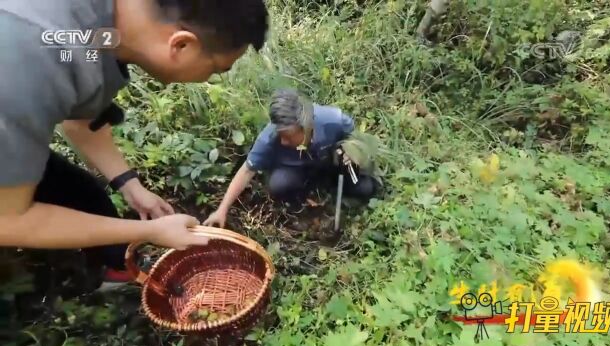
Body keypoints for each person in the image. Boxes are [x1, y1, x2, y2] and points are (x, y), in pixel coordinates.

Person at [0, 0, 269, 288]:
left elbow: (82, 120)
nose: (209, 79)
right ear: (181, 46)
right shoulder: (28, 66)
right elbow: (8, 221)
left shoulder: (103, 23)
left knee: (83, 194)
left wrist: (130, 184)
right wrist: (149, 230)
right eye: (217, 69)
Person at [204, 89, 377, 229]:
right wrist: (222, 210)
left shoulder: (333, 120)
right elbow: (247, 171)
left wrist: (351, 152)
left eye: (288, 136)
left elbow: (355, 138)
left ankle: (333, 190)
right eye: (280, 135)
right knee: (279, 184)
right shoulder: (269, 138)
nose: (283, 141)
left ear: (306, 127)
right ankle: (302, 205)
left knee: (365, 188)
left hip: (329, 164)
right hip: (297, 172)